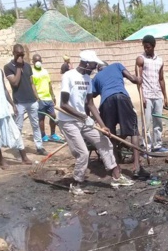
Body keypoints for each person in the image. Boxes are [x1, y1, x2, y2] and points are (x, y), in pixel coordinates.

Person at [57, 50, 134, 195]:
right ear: (86, 63)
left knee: (104, 140)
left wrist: (102, 126)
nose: (94, 67)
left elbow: (91, 104)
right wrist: (83, 116)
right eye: (93, 64)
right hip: (68, 121)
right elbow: (63, 105)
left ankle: (116, 177)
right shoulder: (69, 76)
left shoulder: (87, 80)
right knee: (83, 153)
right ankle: (76, 183)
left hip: (83, 120)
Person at [89, 62, 150, 179]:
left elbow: (92, 96)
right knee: (133, 131)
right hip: (122, 97)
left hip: (106, 102)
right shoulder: (117, 65)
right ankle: (136, 166)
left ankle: (116, 168)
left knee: (110, 134)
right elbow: (132, 78)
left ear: (98, 69)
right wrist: (139, 79)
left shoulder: (96, 77)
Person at [4, 44, 47, 155]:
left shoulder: (28, 66)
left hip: (32, 101)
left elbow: (32, 83)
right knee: (18, 126)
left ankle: (39, 147)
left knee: (35, 125)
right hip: (19, 102)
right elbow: (14, 82)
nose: (21, 57)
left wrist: (37, 97)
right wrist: (18, 67)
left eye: (22, 54)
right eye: (18, 54)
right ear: (13, 53)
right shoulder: (8, 67)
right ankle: (19, 148)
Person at [135, 35, 168, 153]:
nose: (146, 49)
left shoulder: (160, 60)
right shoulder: (141, 59)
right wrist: (142, 97)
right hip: (147, 95)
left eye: (148, 47)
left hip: (157, 95)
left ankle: (157, 145)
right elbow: (138, 80)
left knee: (158, 122)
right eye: (144, 47)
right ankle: (147, 147)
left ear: (153, 46)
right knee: (147, 122)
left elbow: (161, 79)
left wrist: (165, 97)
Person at [31, 53, 62, 143]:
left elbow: (49, 84)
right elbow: (32, 86)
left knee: (53, 116)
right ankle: (43, 135)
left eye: (39, 60)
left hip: (48, 98)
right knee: (41, 118)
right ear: (33, 62)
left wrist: (53, 96)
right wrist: (37, 98)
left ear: (41, 61)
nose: (38, 62)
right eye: (36, 60)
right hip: (40, 99)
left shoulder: (45, 71)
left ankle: (53, 134)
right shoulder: (32, 72)